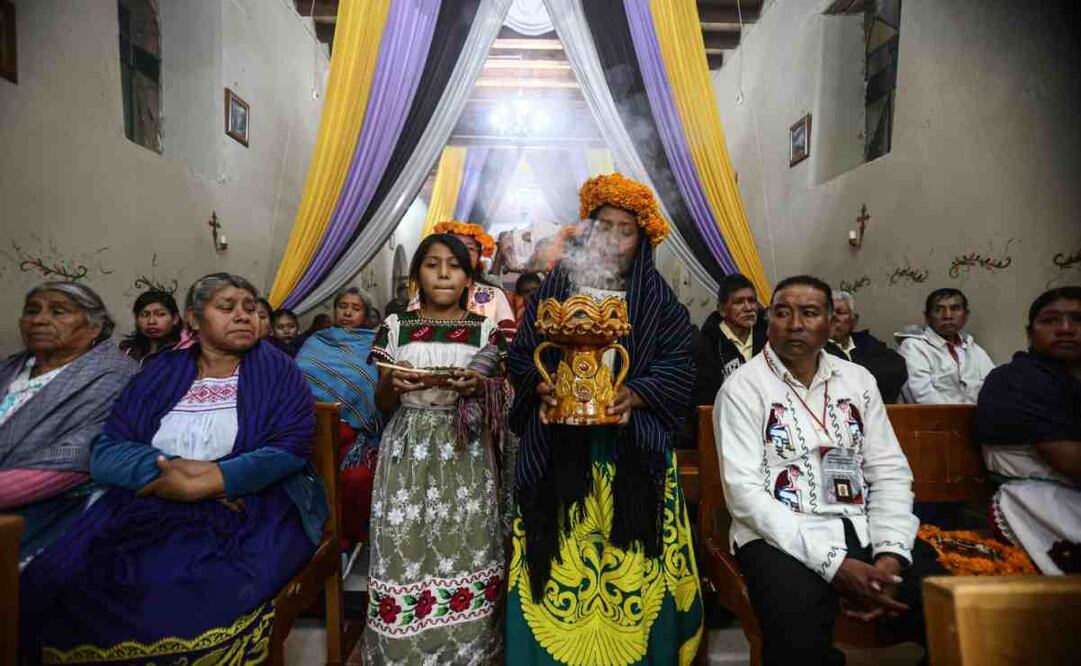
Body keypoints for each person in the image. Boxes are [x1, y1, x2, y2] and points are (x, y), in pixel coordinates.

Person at [19, 273, 326, 663]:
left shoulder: (280, 371)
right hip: (148, 503)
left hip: (246, 505)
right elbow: (108, 450)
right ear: (194, 319)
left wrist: (215, 480)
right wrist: (170, 476)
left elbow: (289, 447)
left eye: (250, 308)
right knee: (66, 576)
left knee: (183, 584)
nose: (243, 316)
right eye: (227, 307)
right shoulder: (159, 371)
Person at [506, 174, 703, 664]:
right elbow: (522, 354)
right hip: (560, 452)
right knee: (559, 568)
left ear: (643, 240)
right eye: (604, 227)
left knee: (629, 571)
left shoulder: (658, 299)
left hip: (631, 452)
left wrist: (637, 393)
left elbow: (681, 364)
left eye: (625, 230)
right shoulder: (555, 287)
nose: (613, 240)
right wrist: (541, 387)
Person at [715, 275, 940, 666]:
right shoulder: (743, 388)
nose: (795, 324)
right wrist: (836, 566)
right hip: (779, 538)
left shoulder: (857, 380)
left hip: (861, 525)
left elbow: (888, 471)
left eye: (809, 313)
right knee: (797, 639)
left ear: (830, 321)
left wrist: (889, 555)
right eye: (782, 313)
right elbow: (745, 495)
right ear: (768, 321)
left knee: (951, 608)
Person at [363, 234, 507, 664]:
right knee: (405, 541)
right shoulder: (395, 326)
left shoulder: (486, 330)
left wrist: (478, 386)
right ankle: (403, 651)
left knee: (467, 539)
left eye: (454, 266)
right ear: (417, 275)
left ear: (469, 279)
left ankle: (467, 650)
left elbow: (503, 400)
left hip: (466, 449)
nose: (443, 274)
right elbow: (381, 403)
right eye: (432, 264)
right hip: (408, 447)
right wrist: (394, 382)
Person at [0, 282, 139, 560]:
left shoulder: (115, 376)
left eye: (58, 312)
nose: (39, 320)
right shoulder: (9, 368)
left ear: (94, 327)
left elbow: (79, 457)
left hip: (55, 510)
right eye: (32, 311)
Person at [977, 286, 1081, 574]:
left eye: (1078, 319)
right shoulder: (1017, 379)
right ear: (1030, 332)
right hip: (1041, 499)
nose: (1065, 329)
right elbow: (1071, 462)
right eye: (1050, 320)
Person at [296, 287, 383, 546]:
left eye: (356, 308)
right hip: (308, 428)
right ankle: (316, 538)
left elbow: (369, 385)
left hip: (354, 437)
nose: (347, 312)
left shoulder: (375, 344)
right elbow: (297, 377)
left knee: (356, 480)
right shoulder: (317, 340)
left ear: (366, 315)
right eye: (342, 306)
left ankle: (348, 538)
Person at [410, 220, 517, 341]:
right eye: (455, 247)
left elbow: (508, 339)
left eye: (469, 248)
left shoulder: (494, 295)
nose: (462, 252)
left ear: (479, 255)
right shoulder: (426, 293)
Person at [896, 288, 995, 403]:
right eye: (938, 310)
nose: (948, 316)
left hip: (978, 414)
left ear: (966, 315)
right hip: (936, 414)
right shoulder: (913, 346)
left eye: (955, 309)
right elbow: (922, 397)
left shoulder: (973, 348)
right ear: (927, 317)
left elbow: (995, 386)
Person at [692, 273, 766, 409]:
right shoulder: (706, 346)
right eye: (739, 302)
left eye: (752, 300)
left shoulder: (771, 337)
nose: (748, 308)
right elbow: (703, 400)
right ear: (722, 310)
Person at [826, 291, 908, 403]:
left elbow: (896, 368)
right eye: (828, 312)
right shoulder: (814, 348)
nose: (833, 317)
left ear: (854, 320)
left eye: (840, 312)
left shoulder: (865, 341)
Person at [118, 290, 183, 362]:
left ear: (175, 319)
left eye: (160, 314)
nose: (151, 321)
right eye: (144, 315)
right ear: (136, 320)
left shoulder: (183, 352)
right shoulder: (128, 351)